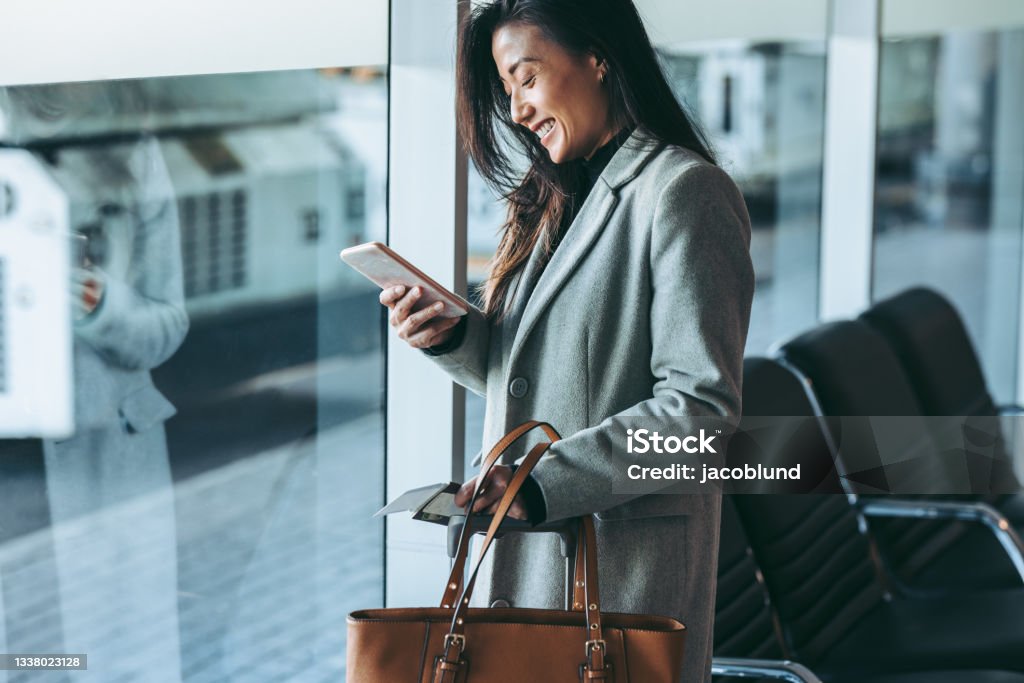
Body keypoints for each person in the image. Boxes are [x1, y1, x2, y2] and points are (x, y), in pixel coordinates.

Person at [380, 1, 753, 680]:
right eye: (507, 90)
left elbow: (700, 414)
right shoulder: (548, 198)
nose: (517, 110)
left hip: (621, 583)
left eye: (525, 78)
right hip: (527, 575)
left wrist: (541, 484)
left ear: (598, 56)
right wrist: (458, 337)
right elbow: (541, 374)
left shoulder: (684, 193)